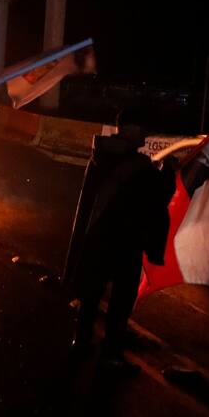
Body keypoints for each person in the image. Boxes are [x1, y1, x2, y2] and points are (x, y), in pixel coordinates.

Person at [64, 109, 175, 371]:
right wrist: (169, 173)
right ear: (128, 129)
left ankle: (80, 343)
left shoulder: (100, 156)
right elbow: (157, 197)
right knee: (120, 303)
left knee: (90, 296)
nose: (145, 133)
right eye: (141, 127)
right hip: (125, 243)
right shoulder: (137, 167)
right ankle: (110, 354)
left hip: (97, 239)